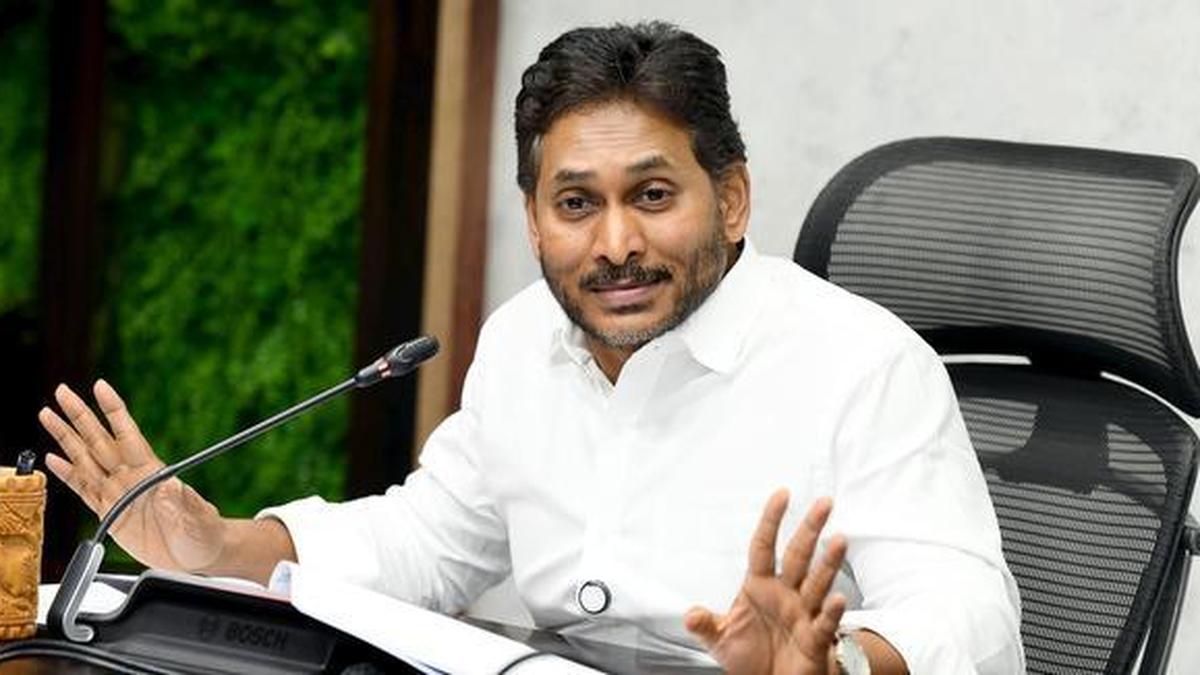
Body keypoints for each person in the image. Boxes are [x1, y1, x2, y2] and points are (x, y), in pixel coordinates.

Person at [38, 22, 1023, 674]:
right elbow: (427, 541)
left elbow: (966, 609)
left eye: (652, 195)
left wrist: (834, 663)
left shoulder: (861, 363)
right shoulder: (521, 340)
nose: (615, 243)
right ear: (533, 219)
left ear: (730, 199)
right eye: (576, 203)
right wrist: (222, 548)